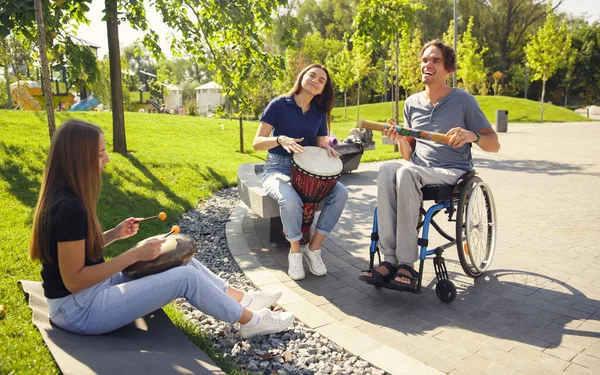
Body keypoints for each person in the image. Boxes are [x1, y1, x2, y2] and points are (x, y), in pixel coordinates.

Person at [29, 119, 294, 337]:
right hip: (78, 311)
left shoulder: (67, 198)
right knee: (185, 279)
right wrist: (133, 254)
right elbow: (74, 281)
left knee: (181, 263)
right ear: (78, 158)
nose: (107, 159)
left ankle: (242, 300)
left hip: (91, 294)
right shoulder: (69, 208)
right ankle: (251, 322)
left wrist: (114, 235)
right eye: (100, 153)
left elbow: (79, 252)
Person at [359, 40, 500, 290]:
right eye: (425, 60)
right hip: (417, 169)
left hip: (451, 172)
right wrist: (402, 138)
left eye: (435, 60)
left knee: (407, 173)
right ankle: (389, 258)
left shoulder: (463, 101)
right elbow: (407, 155)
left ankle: (406, 263)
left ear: (448, 70)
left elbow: (494, 144)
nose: (428, 64)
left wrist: (472, 136)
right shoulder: (412, 103)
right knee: (386, 169)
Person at [253, 64, 348, 281]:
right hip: (277, 167)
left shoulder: (319, 113)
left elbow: (321, 144)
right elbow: (256, 143)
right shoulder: (279, 104)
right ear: (302, 77)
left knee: (341, 194)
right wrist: (279, 139)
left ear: (322, 89)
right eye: (312, 75)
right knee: (290, 199)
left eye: (321, 80)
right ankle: (295, 251)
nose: (316, 80)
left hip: (308, 170)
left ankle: (313, 249)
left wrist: (328, 149)